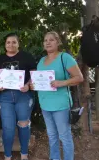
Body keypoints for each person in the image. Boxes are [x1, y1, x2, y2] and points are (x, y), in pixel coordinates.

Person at [30, 31, 83, 160]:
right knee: (52, 135)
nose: (48, 42)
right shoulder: (42, 61)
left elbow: (79, 78)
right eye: (45, 40)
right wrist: (33, 85)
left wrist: (62, 82)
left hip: (61, 105)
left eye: (51, 40)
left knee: (64, 136)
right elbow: (38, 81)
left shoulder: (64, 58)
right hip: (45, 104)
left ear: (58, 42)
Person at [0, 33, 36, 160]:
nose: (11, 45)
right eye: (8, 42)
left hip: (23, 96)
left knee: (23, 124)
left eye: (14, 42)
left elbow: (34, 75)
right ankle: (8, 155)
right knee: (8, 128)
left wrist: (28, 85)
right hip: (5, 97)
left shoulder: (27, 57)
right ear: (5, 44)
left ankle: (24, 154)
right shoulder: (0, 59)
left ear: (18, 44)